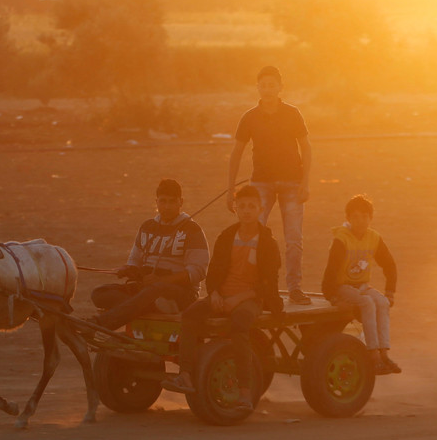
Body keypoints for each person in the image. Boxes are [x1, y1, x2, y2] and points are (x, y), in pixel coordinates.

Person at [162, 185, 285, 412]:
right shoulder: (227, 236)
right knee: (189, 317)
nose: (246, 211)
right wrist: (216, 294)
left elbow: (268, 283)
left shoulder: (268, 242)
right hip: (223, 295)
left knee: (239, 325)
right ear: (235, 209)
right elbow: (214, 273)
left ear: (260, 209)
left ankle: (245, 392)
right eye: (242, 206)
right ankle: (186, 375)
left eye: (251, 206)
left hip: (249, 299)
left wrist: (239, 299)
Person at [227, 65, 313, 305]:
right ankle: (252, 287)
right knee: (253, 235)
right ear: (258, 88)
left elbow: (306, 148)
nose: (267, 89)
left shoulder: (293, 113)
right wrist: (230, 188)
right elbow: (236, 153)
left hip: (292, 183)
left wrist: (305, 182)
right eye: (263, 85)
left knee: (294, 239)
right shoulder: (250, 117)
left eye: (272, 85)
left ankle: (295, 288)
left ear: (280, 87)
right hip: (261, 184)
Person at [89, 179, 209, 330]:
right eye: (163, 201)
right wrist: (128, 270)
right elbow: (134, 261)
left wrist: (163, 280)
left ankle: (101, 324)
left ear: (181, 202)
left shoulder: (192, 229)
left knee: (154, 290)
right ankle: (153, 305)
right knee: (99, 293)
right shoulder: (147, 227)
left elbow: (197, 272)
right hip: (147, 289)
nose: (167, 207)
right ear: (156, 202)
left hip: (180, 292)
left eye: (172, 202)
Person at [321, 194, 400, 375]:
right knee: (367, 303)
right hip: (343, 287)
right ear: (348, 218)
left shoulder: (373, 237)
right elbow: (330, 271)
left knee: (382, 302)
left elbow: (389, 265)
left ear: (371, 218)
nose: (361, 221)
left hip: (362, 286)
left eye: (365, 216)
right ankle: (373, 355)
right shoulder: (341, 239)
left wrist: (390, 292)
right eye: (355, 217)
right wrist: (333, 298)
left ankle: (384, 353)